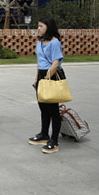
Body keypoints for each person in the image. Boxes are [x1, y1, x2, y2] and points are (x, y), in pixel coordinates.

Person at [29, 18, 64, 154]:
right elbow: (40, 62)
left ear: (48, 27)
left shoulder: (55, 42)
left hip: (51, 76)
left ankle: (54, 141)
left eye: (41, 26)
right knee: (43, 108)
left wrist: (47, 79)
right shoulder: (40, 42)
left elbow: (55, 63)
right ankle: (44, 134)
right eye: (38, 26)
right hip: (41, 77)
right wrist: (37, 79)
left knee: (53, 110)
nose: (38, 29)